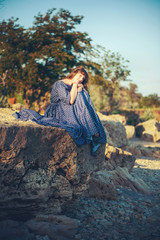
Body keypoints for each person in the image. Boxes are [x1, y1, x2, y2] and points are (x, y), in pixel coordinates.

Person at [13, 66, 107, 155]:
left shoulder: (76, 85)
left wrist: (79, 88)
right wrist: (75, 86)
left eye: (83, 78)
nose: (81, 79)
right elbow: (70, 101)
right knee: (80, 95)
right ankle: (92, 131)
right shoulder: (59, 84)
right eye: (80, 76)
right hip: (58, 110)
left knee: (83, 95)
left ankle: (92, 130)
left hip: (69, 108)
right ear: (74, 73)